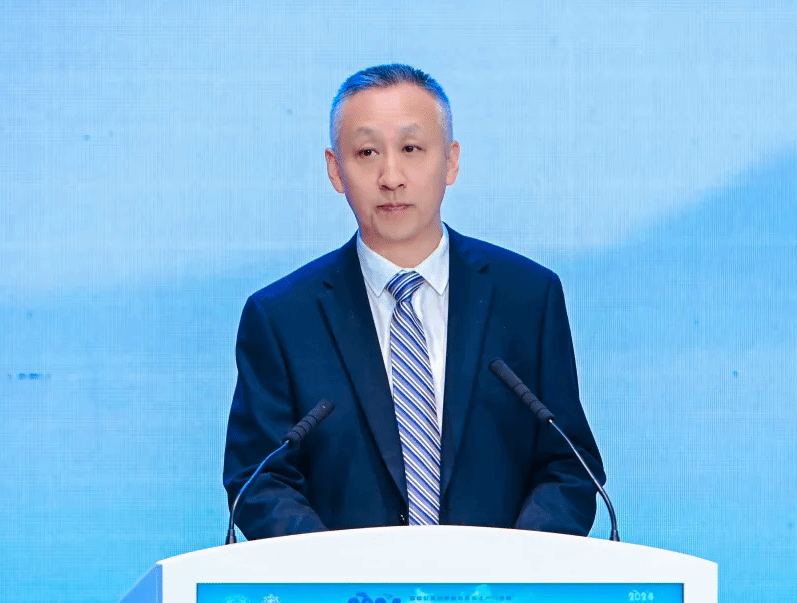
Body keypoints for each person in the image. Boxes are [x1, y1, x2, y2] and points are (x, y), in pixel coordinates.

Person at [223, 63, 605, 539]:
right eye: (366, 152)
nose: (391, 177)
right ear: (335, 170)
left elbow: (569, 467)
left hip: (501, 585)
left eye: (411, 149)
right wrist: (334, 572)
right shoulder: (281, 318)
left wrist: (515, 566)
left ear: (451, 161)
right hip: (343, 587)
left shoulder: (528, 297)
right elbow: (259, 483)